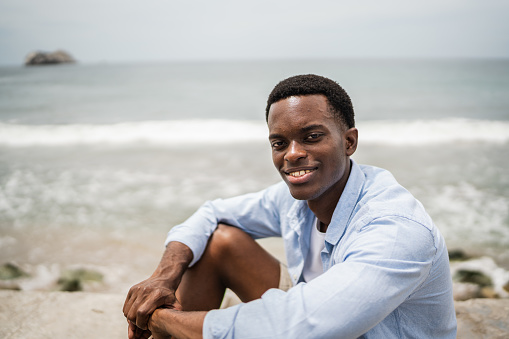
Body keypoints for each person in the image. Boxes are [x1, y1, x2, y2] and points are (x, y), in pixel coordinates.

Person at [123, 74, 457, 339]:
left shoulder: (395, 229)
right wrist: (162, 279)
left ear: (349, 141)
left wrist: (165, 319)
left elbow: (297, 328)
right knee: (220, 240)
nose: (292, 153)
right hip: (313, 316)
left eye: (312, 136)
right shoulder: (299, 196)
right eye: (279, 143)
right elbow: (212, 212)